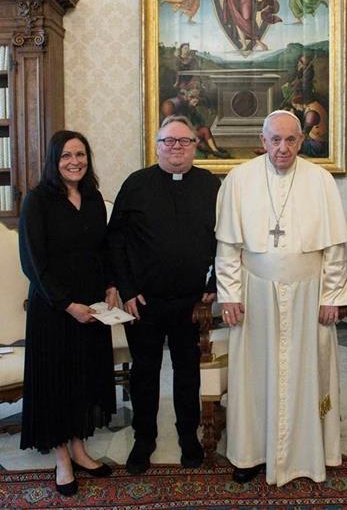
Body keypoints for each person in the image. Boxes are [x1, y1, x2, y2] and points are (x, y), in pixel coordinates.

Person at [215, 110, 347, 487]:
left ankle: (308, 454)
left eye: (291, 140)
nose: (282, 148)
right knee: (253, 374)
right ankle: (250, 453)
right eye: (275, 139)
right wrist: (229, 295)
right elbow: (227, 246)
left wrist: (333, 296)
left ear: (301, 141)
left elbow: (335, 249)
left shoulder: (321, 180)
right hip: (255, 292)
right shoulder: (239, 179)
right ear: (262, 141)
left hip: (310, 294)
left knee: (308, 371)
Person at [108, 115, 220, 475]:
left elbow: (228, 240)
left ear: (195, 146)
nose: (176, 148)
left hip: (192, 301)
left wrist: (214, 284)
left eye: (184, 141)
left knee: (188, 371)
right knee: (145, 372)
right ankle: (144, 438)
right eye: (168, 141)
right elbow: (116, 242)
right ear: (156, 146)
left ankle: (188, 435)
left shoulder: (211, 185)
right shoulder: (136, 184)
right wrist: (127, 290)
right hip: (144, 302)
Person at [19, 130, 117, 497]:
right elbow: (33, 263)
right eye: (66, 156)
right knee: (57, 382)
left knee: (83, 379)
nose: (74, 161)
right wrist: (66, 304)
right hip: (53, 310)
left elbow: (103, 250)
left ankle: (80, 449)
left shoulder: (93, 199)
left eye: (80, 154)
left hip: (92, 307)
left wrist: (109, 285)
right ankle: (62, 459)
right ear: (53, 161)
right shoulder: (37, 201)